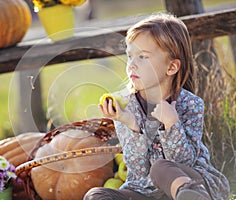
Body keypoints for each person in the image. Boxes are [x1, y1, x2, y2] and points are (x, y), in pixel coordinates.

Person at [84, 13, 230, 200]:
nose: (131, 65)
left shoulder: (191, 104)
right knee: (96, 195)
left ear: (171, 67)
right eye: (130, 56)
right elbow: (138, 168)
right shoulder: (127, 107)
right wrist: (131, 125)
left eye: (143, 57)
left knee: (161, 168)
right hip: (146, 192)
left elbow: (183, 162)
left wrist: (171, 124)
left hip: (189, 180)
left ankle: (192, 196)